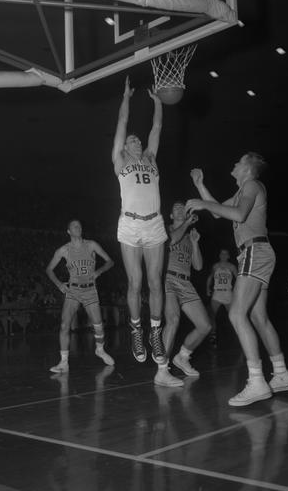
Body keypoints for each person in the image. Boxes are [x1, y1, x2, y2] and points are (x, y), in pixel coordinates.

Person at [186, 153, 288, 406]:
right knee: (258, 317)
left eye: (238, 161)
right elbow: (217, 213)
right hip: (259, 252)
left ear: (248, 168)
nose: (233, 163)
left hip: (254, 251)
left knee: (236, 314)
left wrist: (205, 205)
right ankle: (281, 373)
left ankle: (256, 381)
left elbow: (239, 215)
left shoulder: (252, 185)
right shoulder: (241, 192)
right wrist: (201, 186)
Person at [112, 77, 181, 387]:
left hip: (154, 224)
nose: (136, 142)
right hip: (129, 223)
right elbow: (123, 121)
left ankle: (155, 332)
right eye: (131, 141)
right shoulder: (119, 160)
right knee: (135, 282)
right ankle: (136, 330)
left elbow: (156, 129)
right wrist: (126, 98)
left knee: (155, 283)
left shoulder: (151, 160)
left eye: (137, 141)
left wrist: (157, 102)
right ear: (124, 148)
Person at [46, 220, 115, 373]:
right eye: (74, 226)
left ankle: (100, 349)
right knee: (64, 325)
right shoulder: (64, 250)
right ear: (68, 231)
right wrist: (59, 284)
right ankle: (64, 363)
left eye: (80, 225)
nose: (78, 227)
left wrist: (99, 271)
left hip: (90, 290)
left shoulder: (91, 245)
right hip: (73, 291)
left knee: (98, 325)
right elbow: (49, 269)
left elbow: (110, 261)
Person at [163, 202, 211, 378]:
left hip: (186, 282)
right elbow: (173, 239)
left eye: (183, 207)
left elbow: (198, 266)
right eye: (176, 207)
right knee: (173, 320)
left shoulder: (190, 234)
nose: (180, 209)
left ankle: (182, 357)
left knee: (205, 326)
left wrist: (195, 243)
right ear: (171, 215)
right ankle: (162, 369)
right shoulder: (166, 229)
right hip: (168, 279)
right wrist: (187, 224)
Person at [206, 248, 237, 345]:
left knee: (234, 316)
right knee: (211, 315)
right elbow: (210, 277)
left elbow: (239, 279)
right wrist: (207, 288)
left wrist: (238, 291)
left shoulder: (232, 267)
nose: (223, 255)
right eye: (222, 254)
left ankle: (239, 335)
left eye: (225, 254)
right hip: (217, 293)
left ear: (228, 256)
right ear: (219, 255)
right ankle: (213, 335)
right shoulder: (216, 266)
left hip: (228, 293)